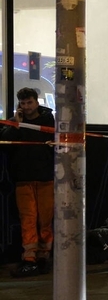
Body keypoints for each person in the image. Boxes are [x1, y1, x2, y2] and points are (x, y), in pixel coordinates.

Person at [2, 88, 55, 277]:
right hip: (23, 178)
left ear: (36, 102)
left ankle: (43, 257)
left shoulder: (48, 121)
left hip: (45, 177)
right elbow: (5, 141)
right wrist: (16, 123)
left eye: (29, 102)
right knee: (28, 220)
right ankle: (29, 258)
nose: (26, 107)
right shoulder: (16, 121)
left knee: (45, 220)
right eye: (23, 103)